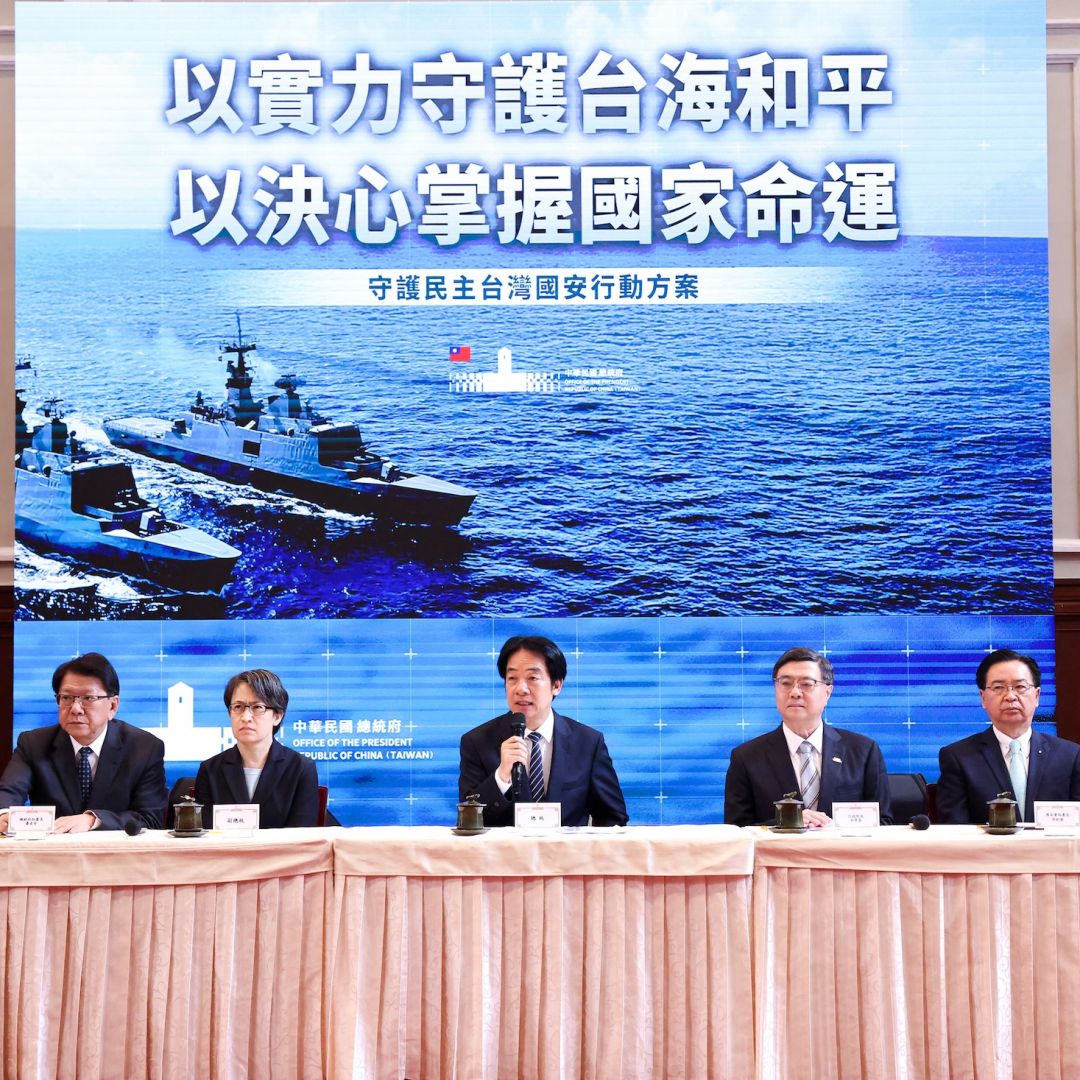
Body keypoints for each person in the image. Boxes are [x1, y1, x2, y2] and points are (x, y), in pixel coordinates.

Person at [458, 634, 628, 828]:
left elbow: (613, 818)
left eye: (532, 678)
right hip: (504, 856)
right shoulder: (477, 741)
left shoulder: (588, 742)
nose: (521, 689)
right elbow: (468, 820)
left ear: (556, 685)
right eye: (512, 678)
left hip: (568, 856)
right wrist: (501, 776)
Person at [724, 646, 893, 827]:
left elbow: (883, 823)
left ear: (827, 693)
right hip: (779, 855)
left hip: (843, 854)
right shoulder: (746, 757)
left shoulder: (863, 751)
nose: (795, 692)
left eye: (806, 684)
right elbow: (737, 831)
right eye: (785, 683)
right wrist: (787, 823)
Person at [0, 652, 167, 833]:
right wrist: (3, 815)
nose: (76, 709)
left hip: (116, 857)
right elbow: (10, 791)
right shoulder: (33, 743)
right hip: (51, 856)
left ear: (113, 706)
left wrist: (92, 820)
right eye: (66, 698)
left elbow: (150, 818)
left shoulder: (144, 747)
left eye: (88, 698)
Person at [935, 648, 1080, 823]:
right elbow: (954, 830)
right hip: (986, 850)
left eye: (1020, 687)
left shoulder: (1070, 756)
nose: (1010, 696)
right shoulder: (958, 757)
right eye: (998, 687)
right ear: (983, 698)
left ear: (1037, 696)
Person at [195, 669, 319, 828]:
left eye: (257, 707)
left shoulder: (300, 768)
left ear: (277, 716)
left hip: (283, 853)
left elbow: (302, 836)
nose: (246, 717)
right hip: (226, 852)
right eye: (238, 707)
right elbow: (205, 836)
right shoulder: (210, 769)